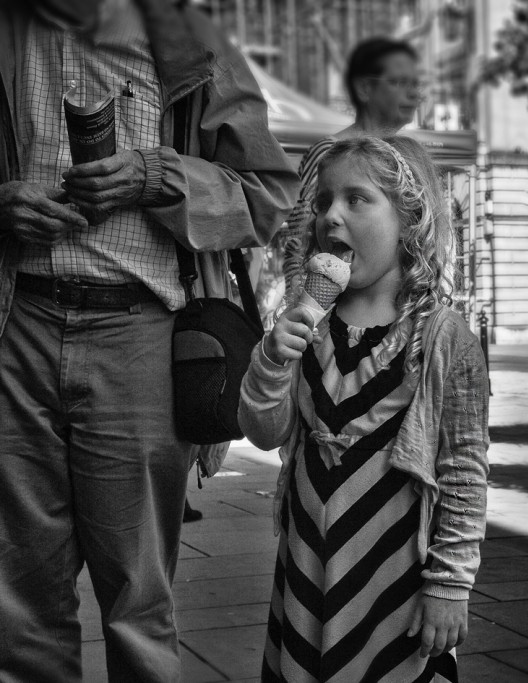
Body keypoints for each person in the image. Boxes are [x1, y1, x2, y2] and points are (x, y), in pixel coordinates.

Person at [0, 1, 298, 680]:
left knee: (138, 602)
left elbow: (270, 197)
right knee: (18, 609)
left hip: (139, 330)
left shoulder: (186, 37)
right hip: (16, 325)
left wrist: (156, 176)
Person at [239, 135, 489, 683]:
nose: (332, 215)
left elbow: (465, 472)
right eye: (325, 199)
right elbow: (262, 432)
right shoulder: (306, 323)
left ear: (411, 220)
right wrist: (272, 361)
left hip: (394, 582)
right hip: (307, 571)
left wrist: (450, 585)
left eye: (357, 199)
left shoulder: (442, 338)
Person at [277, 36, 421, 299]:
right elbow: (297, 242)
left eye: (415, 84)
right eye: (399, 82)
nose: (414, 94)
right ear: (365, 88)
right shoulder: (330, 153)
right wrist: (303, 309)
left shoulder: (405, 155)